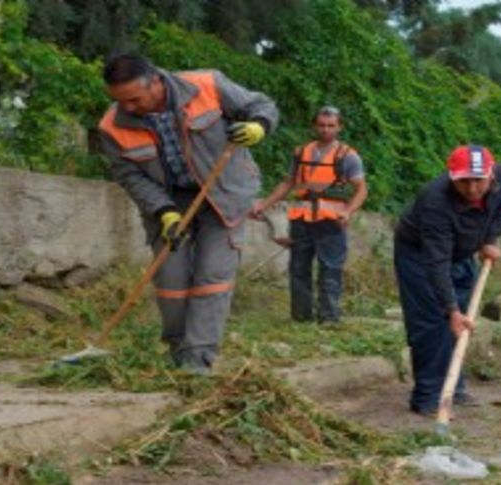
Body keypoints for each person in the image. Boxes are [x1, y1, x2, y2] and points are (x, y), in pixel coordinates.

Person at [98, 54, 279, 374]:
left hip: (223, 192)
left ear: (155, 82)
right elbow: (130, 176)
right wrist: (164, 211)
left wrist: (258, 126)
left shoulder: (206, 84)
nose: (127, 107)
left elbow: (261, 105)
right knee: (171, 278)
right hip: (169, 201)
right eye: (119, 101)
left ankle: (198, 360)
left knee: (212, 275)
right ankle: (178, 349)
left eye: (133, 99)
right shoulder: (112, 126)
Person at [394, 145, 501, 416]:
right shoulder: (435, 201)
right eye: (463, 181)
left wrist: (490, 239)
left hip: (462, 250)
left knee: (462, 317)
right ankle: (427, 398)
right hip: (421, 256)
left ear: (491, 175)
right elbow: (436, 263)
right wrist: (450, 310)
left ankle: (453, 386)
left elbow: (498, 209)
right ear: (451, 176)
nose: (471, 189)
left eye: (477, 181)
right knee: (433, 320)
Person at [250, 106, 367, 324]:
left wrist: (349, 211)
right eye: (321, 125)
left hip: (332, 221)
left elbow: (361, 189)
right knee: (298, 269)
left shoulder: (348, 156)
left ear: (339, 127)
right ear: (314, 126)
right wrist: (264, 204)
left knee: (330, 269)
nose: (325, 130)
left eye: (331, 125)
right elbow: (288, 183)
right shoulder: (301, 152)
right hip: (302, 218)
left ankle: (329, 318)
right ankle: (301, 318)